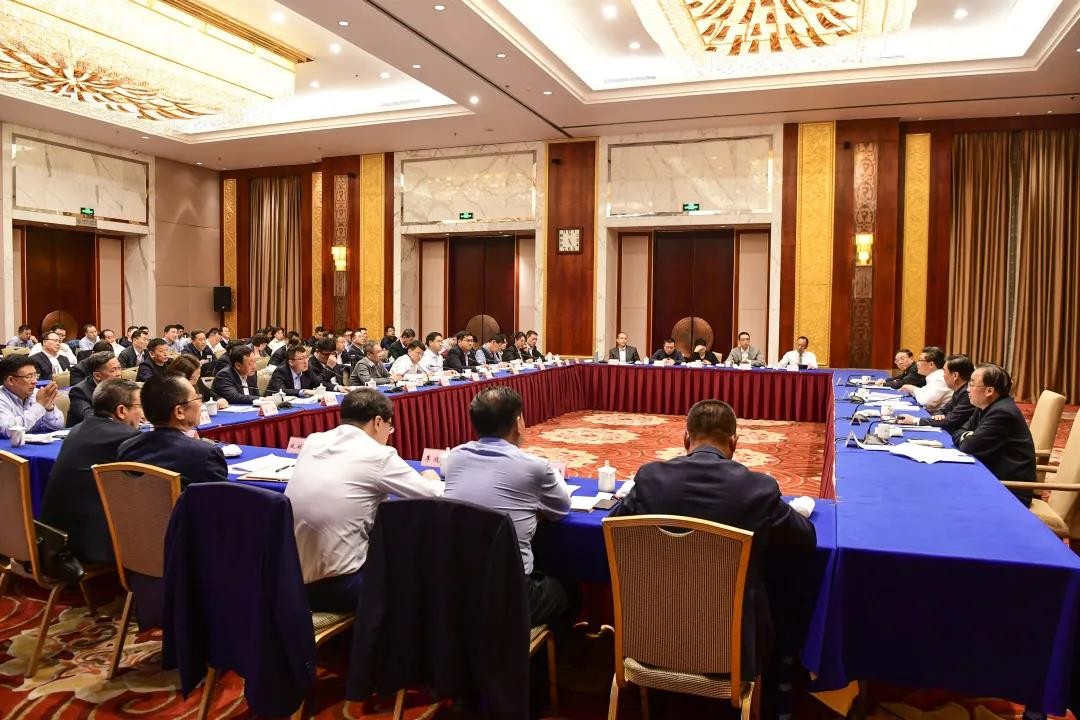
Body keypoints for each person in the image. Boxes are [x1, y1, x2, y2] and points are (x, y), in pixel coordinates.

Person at [611, 399, 816, 683]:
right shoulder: (759, 489)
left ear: (685, 439)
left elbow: (614, 526)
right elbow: (805, 539)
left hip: (651, 639)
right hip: (732, 650)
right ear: (734, 442)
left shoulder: (650, 478)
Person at [285, 389, 443, 612]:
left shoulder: (314, 441)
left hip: (289, 578)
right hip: (338, 586)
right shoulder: (378, 455)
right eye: (389, 426)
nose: (389, 433)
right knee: (420, 564)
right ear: (378, 422)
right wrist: (432, 479)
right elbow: (433, 497)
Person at [442, 386, 572, 626]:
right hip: (509, 594)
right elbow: (561, 509)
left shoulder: (455, 457)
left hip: (455, 587)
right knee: (569, 589)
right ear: (518, 423)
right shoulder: (535, 466)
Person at [40, 379, 143, 564]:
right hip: (86, 545)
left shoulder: (78, 429)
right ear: (121, 411)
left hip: (52, 537)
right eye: (139, 406)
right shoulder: (127, 437)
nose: (143, 414)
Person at [118, 375, 228, 488]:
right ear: (179, 412)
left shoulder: (127, 448)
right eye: (196, 398)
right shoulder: (205, 454)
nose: (200, 404)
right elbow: (220, 497)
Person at [953, 364, 1036, 506]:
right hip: (992, 478)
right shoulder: (984, 406)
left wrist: (968, 437)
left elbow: (968, 446)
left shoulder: (1002, 412)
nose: (967, 389)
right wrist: (968, 436)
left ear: (989, 391)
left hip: (1009, 491)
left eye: (972, 384)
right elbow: (958, 432)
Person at [897, 354, 974, 433]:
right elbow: (944, 410)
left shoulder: (967, 394)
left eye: (944, 371)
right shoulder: (959, 390)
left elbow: (949, 421)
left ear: (955, 375)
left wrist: (914, 420)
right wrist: (939, 414)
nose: (943, 375)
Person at [0, 355, 63, 437]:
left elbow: (58, 426)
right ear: (11, 380)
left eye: (35, 375)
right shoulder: (2, 398)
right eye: (29, 376)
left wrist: (49, 408)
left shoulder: (36, 393)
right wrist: (39, 406)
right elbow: (9, 430)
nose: (35, 381)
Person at [66, 351, 122, 427]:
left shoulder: (121, 386)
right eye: (113, 370)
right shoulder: (79, 392)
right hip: (86, 432)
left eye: (119, 368)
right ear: (97, 376)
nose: (119, 373)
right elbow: (91, 418)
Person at [899, 346, 953, 412]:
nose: (917, 364)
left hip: (937, 416)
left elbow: (925, 401)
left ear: (931, 364)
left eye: (920, 360)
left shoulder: (940, 378)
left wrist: (912, 388)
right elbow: (924, 392)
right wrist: (911, 388)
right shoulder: (934, 376)